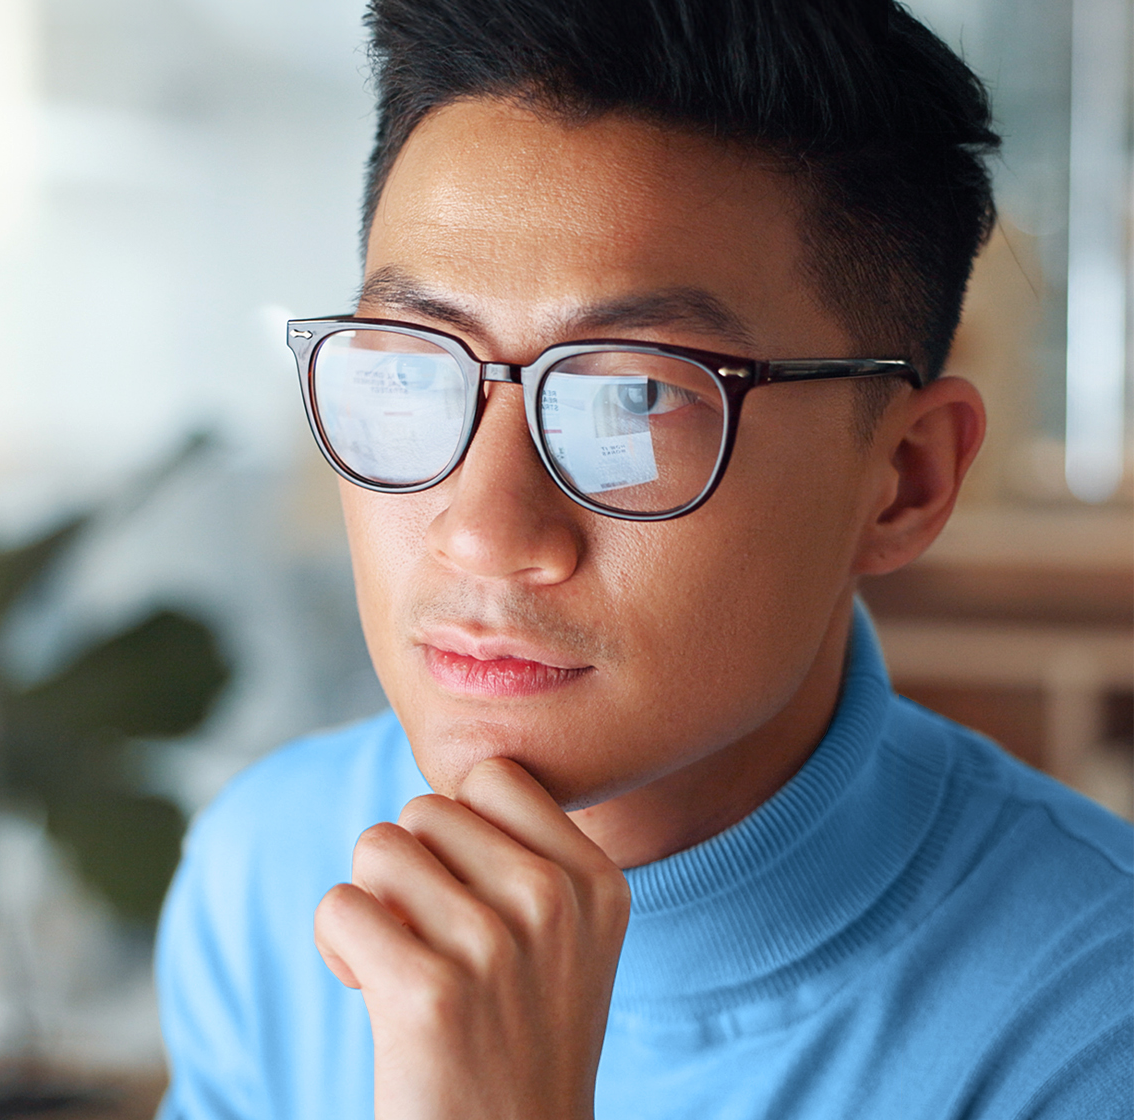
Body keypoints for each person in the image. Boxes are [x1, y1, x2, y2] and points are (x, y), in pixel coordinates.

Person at [152, 0, 1134, 1117]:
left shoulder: (1093, 1025)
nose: (482, 532)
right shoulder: (271, 869)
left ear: (904, 479)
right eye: (413, 366)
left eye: (634, 398)